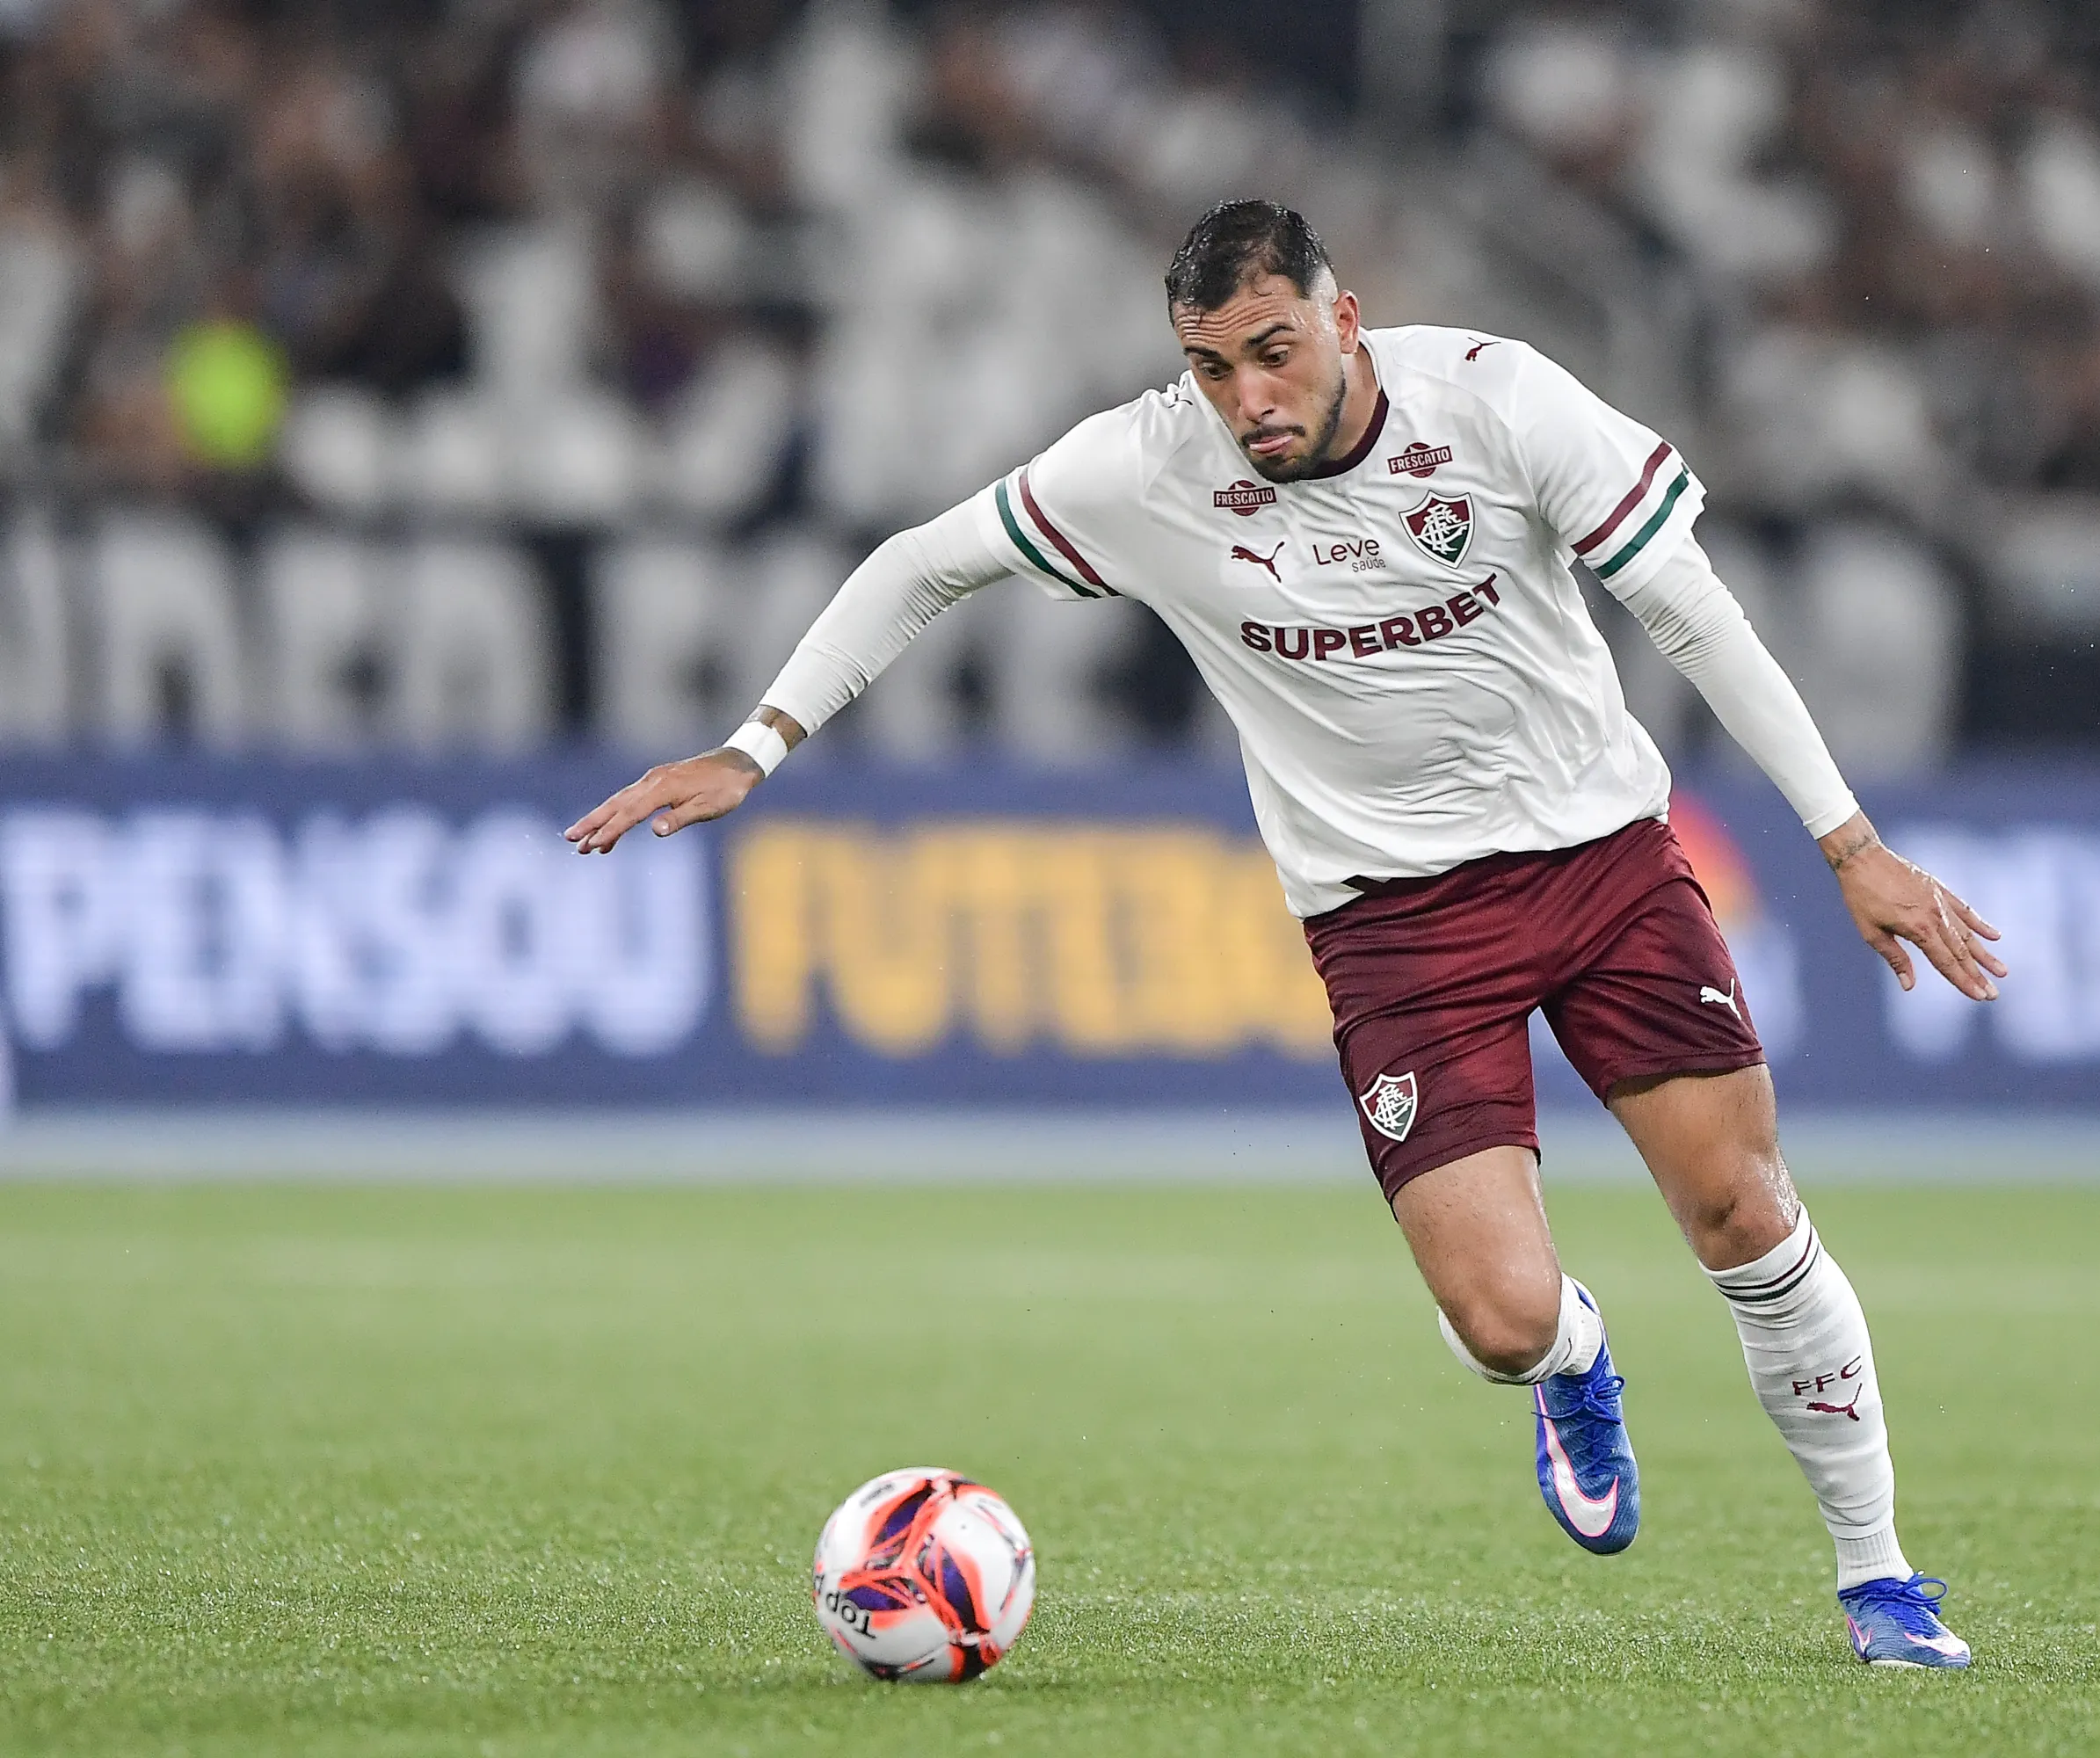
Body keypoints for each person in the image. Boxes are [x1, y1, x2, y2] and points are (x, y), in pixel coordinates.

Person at [569, 200, 2005, 1669]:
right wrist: (757, 744)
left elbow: (1690, 611)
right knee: (1502, 1324)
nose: (1248, 396)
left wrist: (1850, 844)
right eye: (1212, 367)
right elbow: (921, 562)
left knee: (1744, 1215)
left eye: (1274, 351)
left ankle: (1880, 1579)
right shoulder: (1145, 470)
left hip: (1602, 865)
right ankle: (1576, 1357)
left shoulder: (1500, 403)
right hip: (1393, 925)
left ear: (1343, 318)